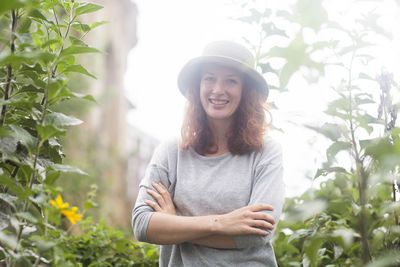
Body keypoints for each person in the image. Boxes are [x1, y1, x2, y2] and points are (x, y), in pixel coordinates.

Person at [132, 40, 285, 266]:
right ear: (198, 86)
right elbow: (143, 225)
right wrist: (220, 223)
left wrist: (175, 223)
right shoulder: (171, 152)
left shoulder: (266, 152)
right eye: (209, 78)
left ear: (246, 91)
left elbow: (256, 233)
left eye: (231, 81)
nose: (217, 89)